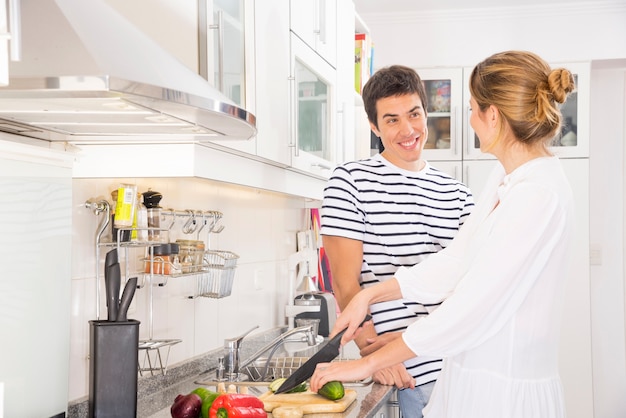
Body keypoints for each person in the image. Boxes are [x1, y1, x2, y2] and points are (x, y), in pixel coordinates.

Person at [311, 50, 577, 418]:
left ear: (493, 115)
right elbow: (457, 262)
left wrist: (365, 365)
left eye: (472, 108)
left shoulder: (538, 195)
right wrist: (372, 294)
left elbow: (471, 307)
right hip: (465, 375)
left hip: (503, 392)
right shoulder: (505, 182)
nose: (469, 120)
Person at [320, 65, 474, 417]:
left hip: (460, 363)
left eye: (414, 114)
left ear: (426, 112)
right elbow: (345, 283)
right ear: (374, 126)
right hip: (408, 374)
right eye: (391, 120)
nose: (408, 130)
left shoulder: (459, 195)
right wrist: (371, 353)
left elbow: (470, 283)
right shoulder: (349, 182)